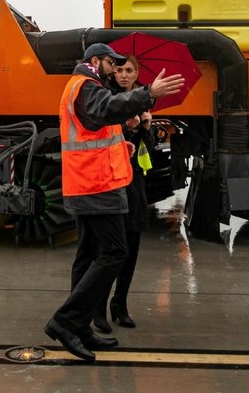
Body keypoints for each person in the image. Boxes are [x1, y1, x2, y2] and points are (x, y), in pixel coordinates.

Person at [44, 42, 184, 362]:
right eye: (112, 63)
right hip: (96, 185)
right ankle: (65, 322)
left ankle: (79, 327)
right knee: (115, 252)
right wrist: (148, 93)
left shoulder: (85, 87)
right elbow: (104, 111)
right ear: (96, 62)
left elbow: (96, 129)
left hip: (89, 183)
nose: (116, 69)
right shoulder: (87, 86)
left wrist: (126, 146)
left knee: (89, 255)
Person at [93, 55, 156, 333]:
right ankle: (99, 309)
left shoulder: (143, 102)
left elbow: (147, 151)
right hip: (112, 181)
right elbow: (100, 135)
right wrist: (124, 126)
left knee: (132, 247)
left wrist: (145, 128)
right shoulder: (108, 99)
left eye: (130, 70)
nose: (124, 75)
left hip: (135, 183)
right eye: (119, 69)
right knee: (110, 250)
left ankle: (121, 304)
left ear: (137, 73)